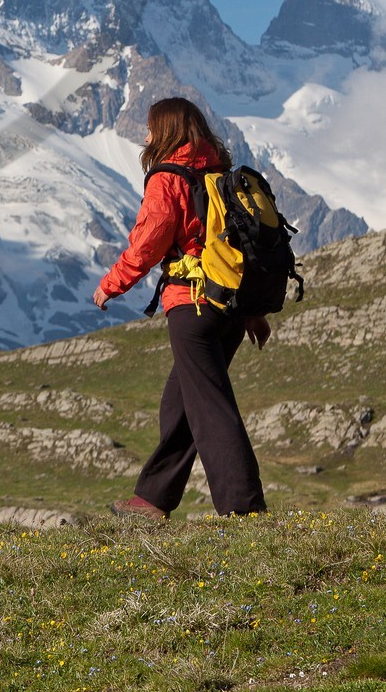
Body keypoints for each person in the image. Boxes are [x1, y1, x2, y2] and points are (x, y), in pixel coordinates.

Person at [93, 96, 269, 519]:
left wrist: (110, 286)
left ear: (168, 131)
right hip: (228, 305)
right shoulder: (220, 175)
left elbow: (148, 242)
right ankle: (153, 499)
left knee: (209, 406)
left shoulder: (167, 178)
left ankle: (244, 508)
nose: (146, 136)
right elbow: (235, 249)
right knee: (180, 403)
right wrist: (250, 312)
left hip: (192, 308)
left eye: (152, 128)